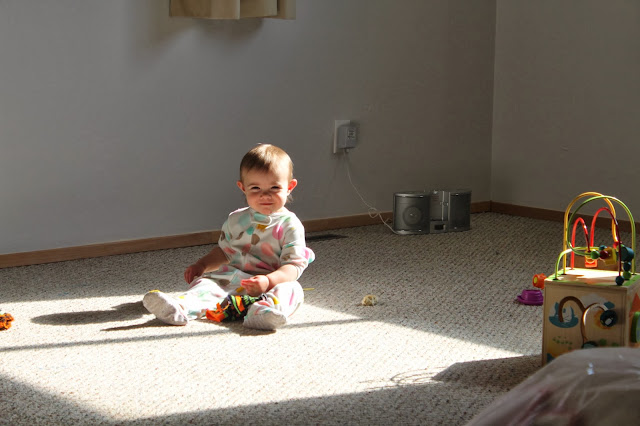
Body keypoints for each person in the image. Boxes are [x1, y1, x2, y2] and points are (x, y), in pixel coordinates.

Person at [143, 144, 315, 330]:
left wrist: (268, 281)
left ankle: (263, 313)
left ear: (289, 187)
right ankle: (180, 307)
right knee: (205, 284)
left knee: (292, 290)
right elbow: (225, 252)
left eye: (274, 187)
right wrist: (202, 265)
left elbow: (293, 266)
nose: (265, 195)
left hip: (269, 285)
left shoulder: (290, 225)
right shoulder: (236, 220)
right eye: (255, 188)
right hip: (231, 280)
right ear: (243, 188)